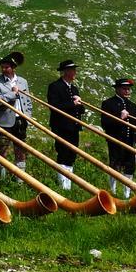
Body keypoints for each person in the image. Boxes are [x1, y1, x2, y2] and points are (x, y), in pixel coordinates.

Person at [0, 51, 31, 179]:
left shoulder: (23, 81)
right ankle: (2, 177)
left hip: (20, 120)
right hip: (4, 121)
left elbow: (28, 101)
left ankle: (20, 178)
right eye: (2, 67)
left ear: (13, 67)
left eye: (6, 67)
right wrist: (13, 94)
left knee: (21, 149)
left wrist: (27, 115)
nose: (4, 69)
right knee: (3, 149)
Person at [100, 78, 136, 198]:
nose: (127, 91)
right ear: (118, 89)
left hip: (130, 141)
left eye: (129, 89)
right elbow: (105, 123)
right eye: (125, 89)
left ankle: (126, 194)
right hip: (115, 140)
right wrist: (120, 118)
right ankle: (112, 192)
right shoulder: (108, 103)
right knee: (115, 165)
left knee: (130, 167)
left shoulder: (132, 106)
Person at [47, 59, 85, 190]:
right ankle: (62, 185)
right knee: (63, 153)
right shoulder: (55, 86)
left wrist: (80, 104)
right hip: (61, 126)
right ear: (66, 71)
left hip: (74, 126)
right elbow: (54, 106)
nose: (75, 72)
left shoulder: (74, 88)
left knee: (72, 154)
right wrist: (72, 103)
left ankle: (68, 184)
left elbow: (81, 110)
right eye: (73, 70)